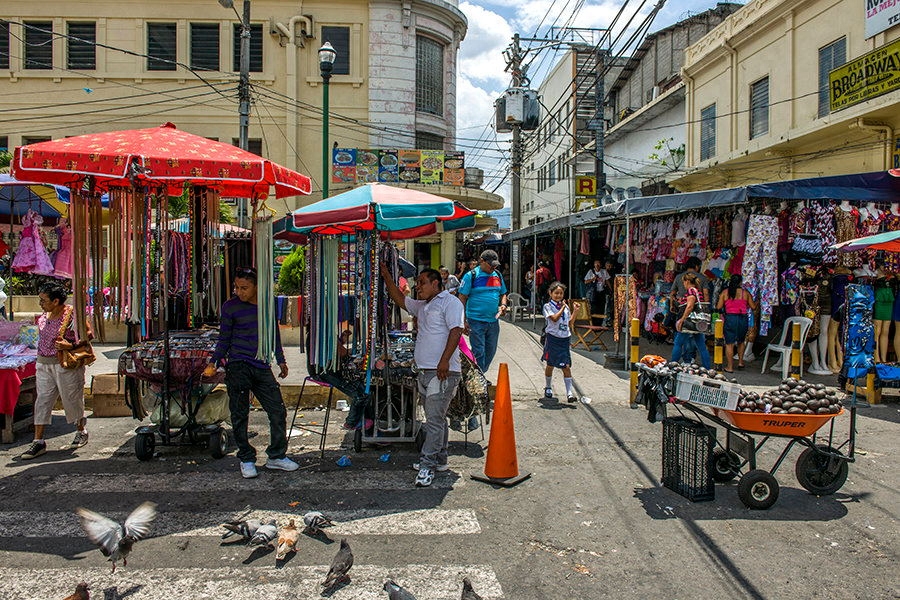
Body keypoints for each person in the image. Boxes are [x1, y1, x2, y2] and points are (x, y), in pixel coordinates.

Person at [206, 267, 298, 479]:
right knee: (239, 414)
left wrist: (281, 360)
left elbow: (273, 333)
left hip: (261, 365)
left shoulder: (267, 306)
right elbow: (224, 339)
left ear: (256, 287)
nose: (240, 292)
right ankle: (246, 458)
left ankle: (276, 455)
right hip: (238, 365)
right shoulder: (230, 307)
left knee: (277, 410)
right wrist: (214, 361)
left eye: (244, 288)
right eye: (237, 287)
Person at [380, 264, 465, 488]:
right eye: (417, 283)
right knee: (438, 419)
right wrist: (387, 276)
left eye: (422, 283)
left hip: (442, 372)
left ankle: (427, 466)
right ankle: (441, 459)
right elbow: (400, 299)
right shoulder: (424, 306)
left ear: (436, 283)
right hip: (427, 371)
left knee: (433, 422)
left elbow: (456, 330)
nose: (418, 287)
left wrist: (444, 361)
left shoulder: (450, 302)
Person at [20, 283, 93, 459]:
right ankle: (38, 441)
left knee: (72, 398)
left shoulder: (71, 314)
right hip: (43, 363)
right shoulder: (44, 315)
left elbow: (88, 333)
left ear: (56, 301)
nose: (40, 303)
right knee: (43, 401)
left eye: (43, 300)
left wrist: (72, 345)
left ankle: (81, 430)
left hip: (65, 364)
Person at [458, 249, 508, 373]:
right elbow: (462, 298)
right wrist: (462, 320)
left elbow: (503, 293)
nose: (493, 267)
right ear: (482, 261)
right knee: (479, 351)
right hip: (475, 321)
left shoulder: (497, 275)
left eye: (495, 265)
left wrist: (503, 304)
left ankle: (480, 374)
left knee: (491, 350)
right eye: (491, 264)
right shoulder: (471, 276)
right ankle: (479, 378)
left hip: (493, 321)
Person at [542, 282, 579, 402]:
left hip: (564, 339)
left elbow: (569, 323)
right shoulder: (548, 306)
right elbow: (554, 318)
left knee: (566, 366)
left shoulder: (566, 307)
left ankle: (569, 393)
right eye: (556, 293)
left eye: (561, 293)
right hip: (553, 338)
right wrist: (562, 307)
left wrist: (575, 311)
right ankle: (548, 387)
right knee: (550, 364)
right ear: (550, 293)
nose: (558, 295)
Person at [716, 275, 758, 372]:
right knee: (741, 341)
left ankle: (730, 367)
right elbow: (753, 307)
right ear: (740, 283)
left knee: (729, 343)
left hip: (730, 318)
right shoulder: (745, 293)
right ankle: (740, 362)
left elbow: (718, 307)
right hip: (742, 318)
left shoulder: (725, 293)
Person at [672, 273, 711, 369]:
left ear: (687, 281)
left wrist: (682, 319)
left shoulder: (691, 291)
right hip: (697, 322)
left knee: (678, 343)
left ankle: (672, 364)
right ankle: (707, 367)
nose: (683, 284)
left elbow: (690, 306)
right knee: (701, 346)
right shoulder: (697, 291)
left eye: (684, 282)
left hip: (689, 323)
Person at [583, 259, 611, 325]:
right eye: (596, 264)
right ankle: (593, 323)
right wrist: (593, 279)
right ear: (594, 265)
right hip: (593, 293)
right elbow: (585, 281)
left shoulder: (604, 271)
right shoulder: (591, 272)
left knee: (601, 307)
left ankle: (600, 323)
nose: (597, 265)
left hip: (601, 292)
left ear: (601, 265)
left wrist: (610, 289)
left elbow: (607, 281)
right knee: (593, 308)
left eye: (598, 264)